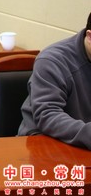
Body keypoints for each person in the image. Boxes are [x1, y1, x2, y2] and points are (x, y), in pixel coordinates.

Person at [18, 12, 91, 150]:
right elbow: (47, 115)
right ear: (89, 36)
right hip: (42, 144)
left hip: (82, 145)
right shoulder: (52, 60)